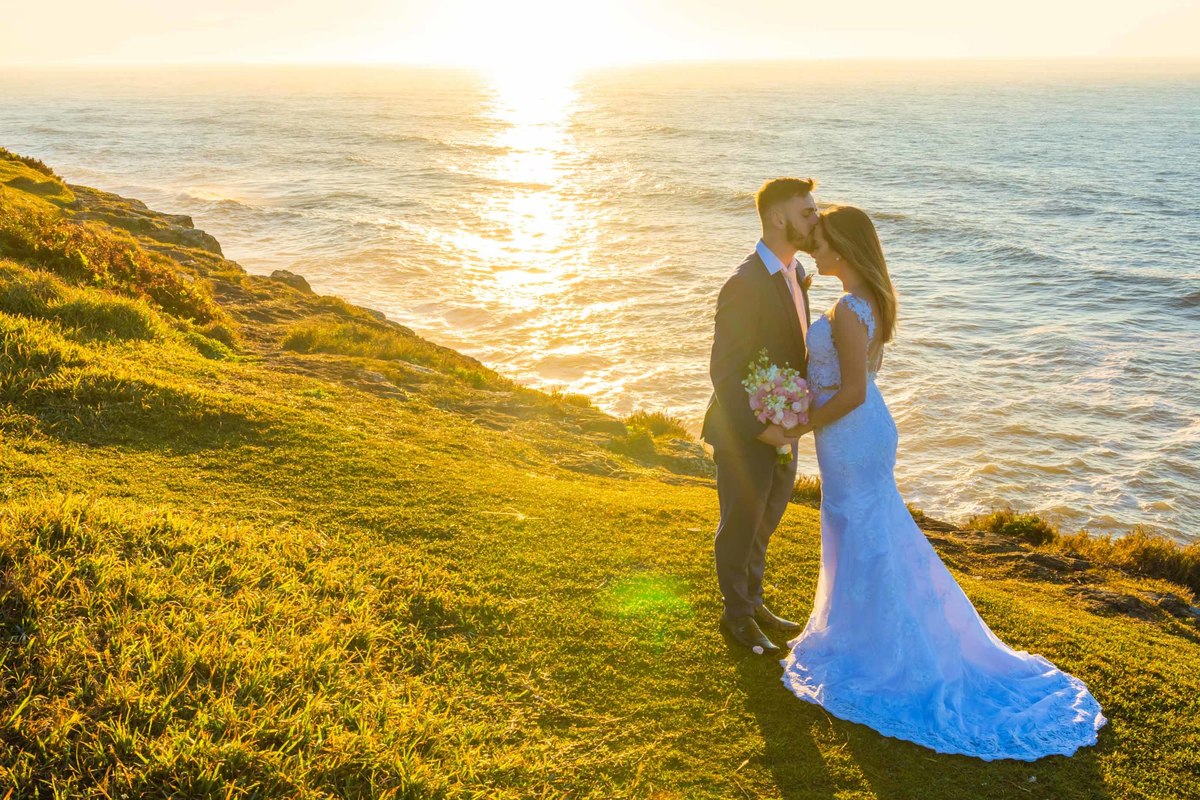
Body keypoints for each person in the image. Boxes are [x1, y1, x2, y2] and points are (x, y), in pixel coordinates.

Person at [779, 205, 1106, 760]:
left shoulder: (845, 311)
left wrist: (795, 428)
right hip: (857, 435)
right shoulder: (861, 303)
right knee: (863, 536)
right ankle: (863, 636)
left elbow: (854, 390)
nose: (816, 247)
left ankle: (876, 650)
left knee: (862, 535)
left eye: (823, 240)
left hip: (852, 435)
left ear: (847, 250)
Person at [701, 177, 817, 655]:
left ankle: (753, 600)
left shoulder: (796, 271)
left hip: (781, 428)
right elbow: (724, 371)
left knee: (765, 522)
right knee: (741, 524)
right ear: (777, 218)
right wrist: (761, 430)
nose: (816, 219)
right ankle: (737, 618)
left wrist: (788, 426)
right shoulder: (744, 283)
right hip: (743, 431)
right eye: (807, 212)